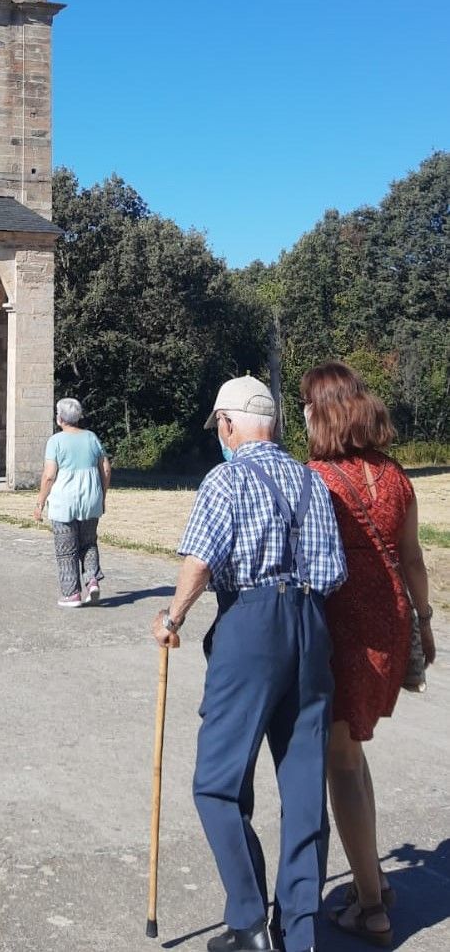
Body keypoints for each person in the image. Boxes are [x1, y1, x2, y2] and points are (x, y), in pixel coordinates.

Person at [152, 375, 347, 952]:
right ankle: (302, 930)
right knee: (304, 782)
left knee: (217, 783)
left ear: (229, 424)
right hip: (311, 624)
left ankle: (248, 921)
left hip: (251, 624)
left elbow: (201, 560)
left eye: (218, 426)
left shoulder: (227, 477)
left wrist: (173, 617)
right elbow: (333, 570)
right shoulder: (312, 482)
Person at [301, 362, 436, 948]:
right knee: (353, 755)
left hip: (342, 630)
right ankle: (369, 877)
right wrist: (426, 624)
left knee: (342, 763)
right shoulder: (398, 477)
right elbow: (413, 561)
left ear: (324, 411)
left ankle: (372, 906)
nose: (302, 414)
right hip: (391, 622)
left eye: (307, 404)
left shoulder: (316, 479)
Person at [33, 397, 112, 607]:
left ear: (60, 418)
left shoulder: (56, 441)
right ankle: (92, 579)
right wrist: (102, 496)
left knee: (66, 549)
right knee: (89, 543)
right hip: (91, 498)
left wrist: (40, 502)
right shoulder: (92, 437)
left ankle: (71, 594)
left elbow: (49, 475)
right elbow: (105, 468)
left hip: (64, 501)